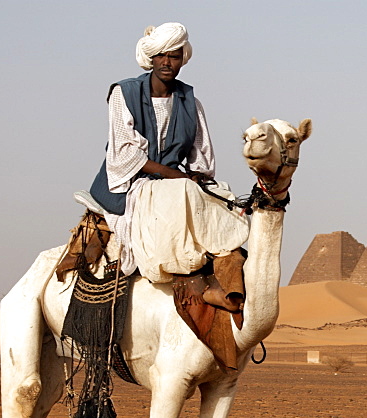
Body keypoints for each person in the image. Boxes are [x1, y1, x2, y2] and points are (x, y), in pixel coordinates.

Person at [88, 22, 248, 306]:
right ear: (150, 59)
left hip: (175, 183)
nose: (167, 62)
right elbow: (124, 152)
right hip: (129, 182)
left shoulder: (191, 102)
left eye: (173, 56)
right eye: (161, 55)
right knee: (181, 199)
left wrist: (196, 176)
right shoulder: (123, 94)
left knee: (225, 201)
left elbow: (201, 152)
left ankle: (226, 283)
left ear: (182, 60)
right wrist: (172, 175)